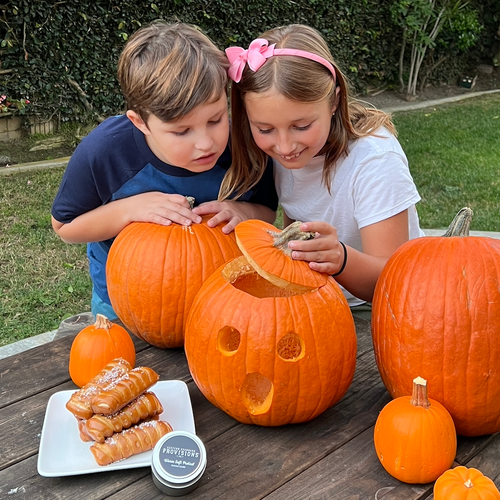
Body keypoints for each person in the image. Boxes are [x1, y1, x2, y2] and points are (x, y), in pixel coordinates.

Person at [51, 21, 278, 321]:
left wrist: (244, 212)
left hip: (226, 304)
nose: (206, 143)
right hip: (127, 306)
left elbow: (268, 211)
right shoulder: (105, 152)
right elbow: (65, 226)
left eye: (215, 119)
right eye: (181, 131)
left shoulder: (244, 145)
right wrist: (129, 210)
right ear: (140, 122)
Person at [220, 24, 424, 311]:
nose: (285, 146)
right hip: (315, 298)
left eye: (301, 126)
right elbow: (296, 227)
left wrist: (340, 259)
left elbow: (392, 279)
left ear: (334, 101)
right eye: (264, 129)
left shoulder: (374, 160)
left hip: (379, 308)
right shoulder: (285, 152)